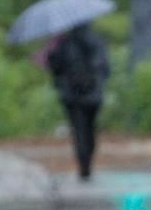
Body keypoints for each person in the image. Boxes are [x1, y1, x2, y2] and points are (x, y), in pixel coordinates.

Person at [47, 23, 109, 181]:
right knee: (90, 128)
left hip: (72, 95)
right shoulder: (97, 41)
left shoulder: (64, 42)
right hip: (93, 95)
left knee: (79, 130)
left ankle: (83, 165)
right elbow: (105, 68)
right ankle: (88, 160)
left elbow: (54, 67)